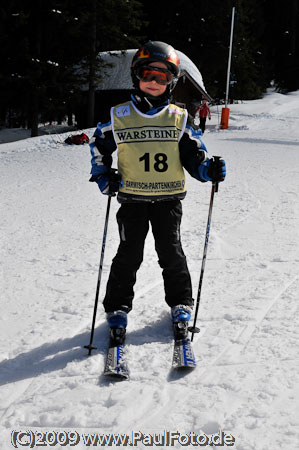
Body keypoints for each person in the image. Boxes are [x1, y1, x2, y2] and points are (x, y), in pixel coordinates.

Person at [89, 41, 226, 340]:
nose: (154, 82)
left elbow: (194, 158)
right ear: (136, 75)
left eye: (162, 77)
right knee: (128, 254)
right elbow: (99, 144)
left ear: (172, 81)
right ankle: (117, 307)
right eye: (149, 74)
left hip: (168, 201)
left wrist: (208, 170)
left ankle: (180, 303)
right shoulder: (119, 116)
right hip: (132, 199)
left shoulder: (179, 119)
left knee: (171, 253)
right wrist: (102, 176)